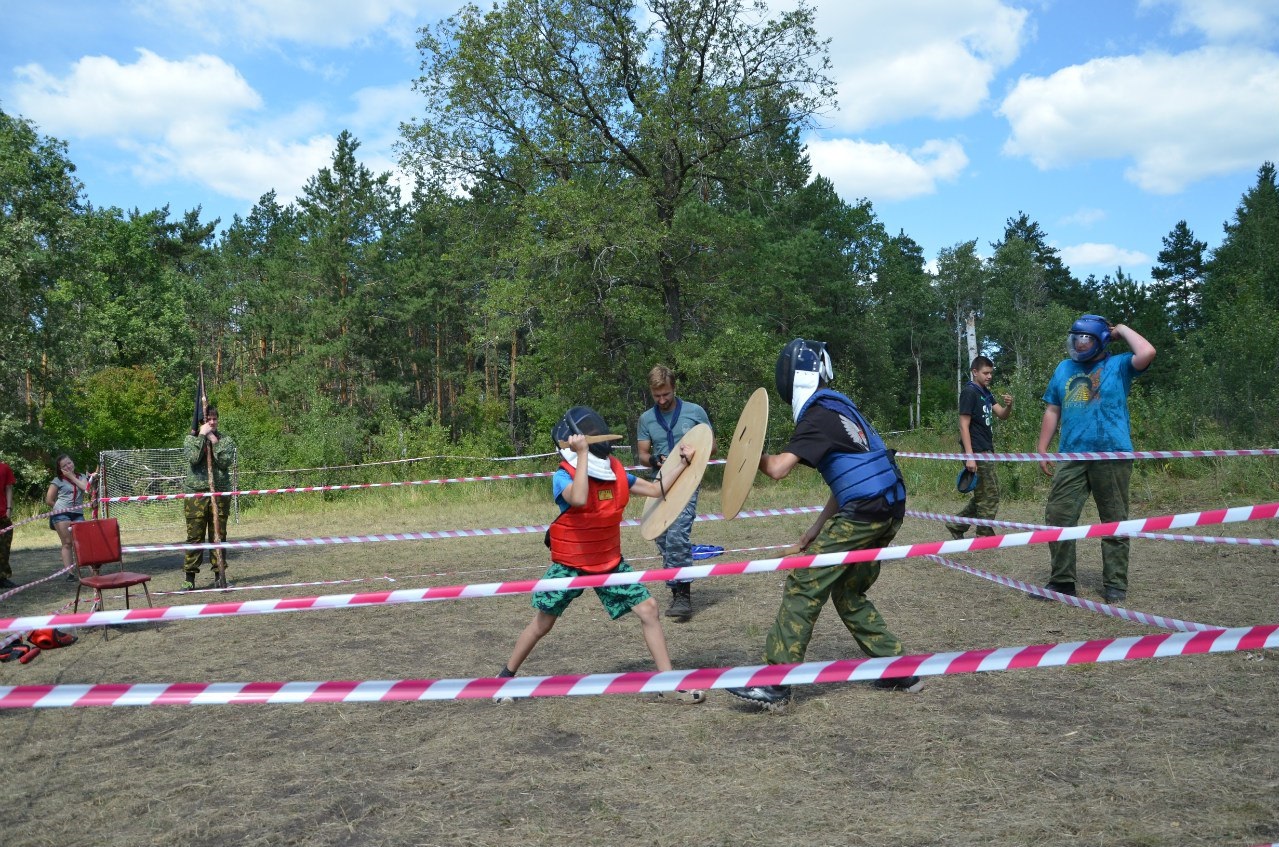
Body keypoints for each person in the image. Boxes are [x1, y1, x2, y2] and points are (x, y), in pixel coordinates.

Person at [727, 339, 920, 711]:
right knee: (848, 591)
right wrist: (814, 530)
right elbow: (850, 479)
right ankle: (898, 669)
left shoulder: (817, 416)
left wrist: (744, 452)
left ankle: (775, 683)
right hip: (888, 507)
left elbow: (778, 469)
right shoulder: (840, 409)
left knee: (804, 580)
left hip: (865, 512)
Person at [496, 406, 705, 703]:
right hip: (570, 564)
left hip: (609, 563)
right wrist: (582, 455)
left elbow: (657, 490)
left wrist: (683, 463)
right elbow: (580, 497)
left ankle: (668, 683)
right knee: (543, 623)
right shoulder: (562, 477)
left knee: (649, 609)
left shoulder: (615, 473)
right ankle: (504, 679)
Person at [1035, 315, 1156, 603]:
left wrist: (1121, 330)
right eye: (1076, 338)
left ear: (1100, 341)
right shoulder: (1064, 368)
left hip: (1112, 453)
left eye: (1086, 338)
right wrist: (1042, 448)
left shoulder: (1120, 365)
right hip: (1072, 454)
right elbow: (1053, 409)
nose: (1079, 343)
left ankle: (1115, 584)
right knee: (1058, 516)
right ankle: (1062, 581)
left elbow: (1147, 352)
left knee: (1114, 519)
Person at [635, 365, 715, 621]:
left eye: (666, 394)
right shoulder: (646, 419)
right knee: (661, 537)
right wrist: (654, 460)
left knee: (677, 534)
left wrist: (694, 452)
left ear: (674, 388)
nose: (662, 400)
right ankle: (675, 585)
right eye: (657, 395)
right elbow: (643, 454)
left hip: (688, 480)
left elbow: (711, 447)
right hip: (660, 483)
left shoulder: (695, 412)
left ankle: (683, 595)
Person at [945, 355, 1012, 540]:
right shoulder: (969, 392)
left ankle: (956, 524)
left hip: (986, 450)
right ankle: (984, 535)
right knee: (990, 495)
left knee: (986, 494)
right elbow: (963, 425)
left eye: (991, 373)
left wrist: (1009, 406)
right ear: (975, 372)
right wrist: (970, 456)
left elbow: (1002, 414)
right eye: (985, 373)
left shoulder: (985, 392)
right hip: (976, 451)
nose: (989, 376)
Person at [183, 405, 236, 590]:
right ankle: (189, 579)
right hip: (196, 494)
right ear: (201, 422)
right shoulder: (191, 439)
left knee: (218, 536)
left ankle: (219, 576)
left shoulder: (225, 440)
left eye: (215, 419)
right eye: (208, 419)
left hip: (219, 493)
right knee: (194, 537)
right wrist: (201, 437)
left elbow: (225, 462)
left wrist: (213, 440)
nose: (212, 422)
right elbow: (193, 458)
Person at [46, 454, 92, 579]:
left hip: (78, 513)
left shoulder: (82, 476)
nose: (68, 466)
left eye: (69, 463)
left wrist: (71, 477)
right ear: (60, 469)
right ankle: (70, 573)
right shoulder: (57, 480)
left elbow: (86, 488)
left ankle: (93, 570)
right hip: (61, 513)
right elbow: (49, 500)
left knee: (82, 542)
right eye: (64, 465)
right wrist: (60, 509)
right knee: (67, 543)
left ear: (73, 462)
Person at [0, 457, 16, 589]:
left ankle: (2, 577)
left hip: (2, 515)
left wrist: (9, 509)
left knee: (4, 548)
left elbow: (9, 488)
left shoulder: (4, 468)